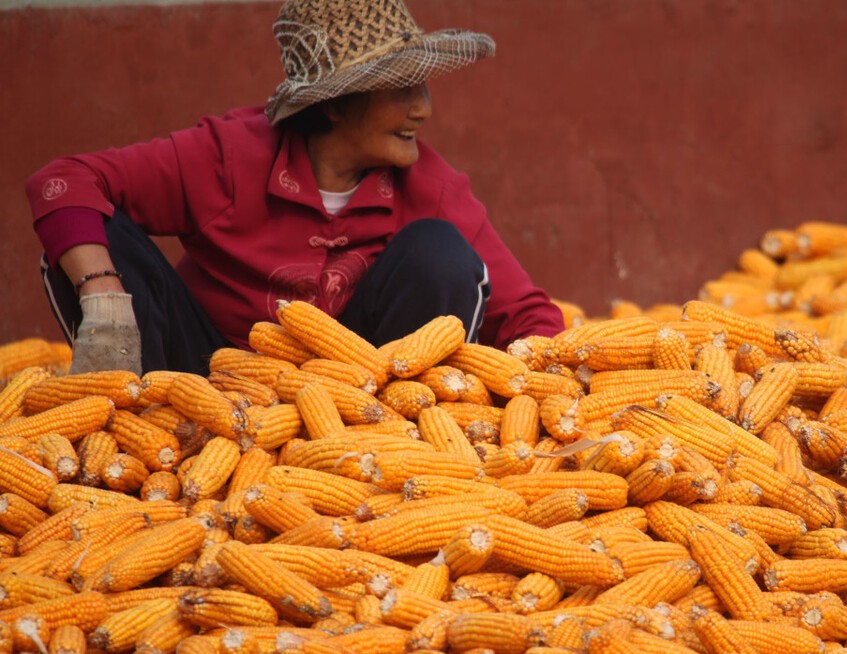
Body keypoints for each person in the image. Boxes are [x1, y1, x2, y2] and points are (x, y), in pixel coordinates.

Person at [26, 0, 565, 376]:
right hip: (205, 381)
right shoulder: (226, 157)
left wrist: (530, 393)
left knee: (441, 255)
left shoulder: (432, 186)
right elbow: (63, 181)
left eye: (421, 87)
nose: (423, 108)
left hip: (366, 409)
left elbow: (533, 317)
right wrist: (101, 290)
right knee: (97, 236)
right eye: (401, 89)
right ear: (332, 104)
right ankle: (139, 420)